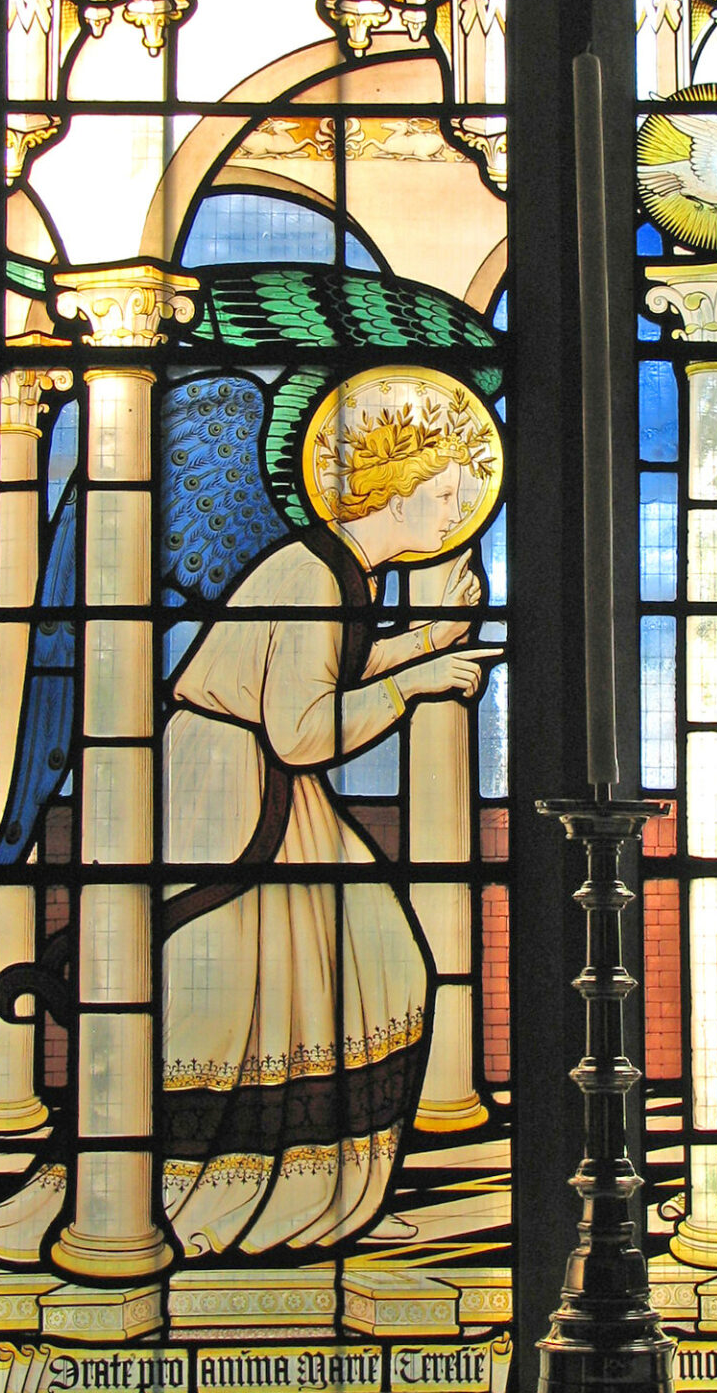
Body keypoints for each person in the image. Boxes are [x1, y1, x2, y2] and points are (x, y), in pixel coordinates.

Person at [160, 413, 499, 1256]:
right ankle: (229, 1193)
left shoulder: (336, 570)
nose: (456, 513)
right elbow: (303, 733)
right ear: (395, 496)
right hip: (236, 787)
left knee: (369, 968)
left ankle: (325, 1189)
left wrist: (427, 640)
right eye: (445, 496)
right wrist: (418, 681)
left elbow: (325, 676)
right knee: (247, 994)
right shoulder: (312, 577)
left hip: (258, 775)